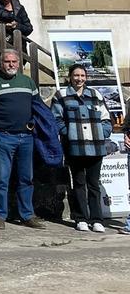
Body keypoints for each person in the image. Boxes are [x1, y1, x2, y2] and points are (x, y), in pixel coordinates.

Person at [0, 49, 44, 229]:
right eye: (7, 62)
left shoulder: (28, 82)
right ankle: (0, 216)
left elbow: (39, 107)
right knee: (1, 178)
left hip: (26, 137)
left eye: (14, 61)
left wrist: (37, 127)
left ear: (19, 63)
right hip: (3, 137)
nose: (11, 65)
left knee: (26, 178)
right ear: (1, 63)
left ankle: (27, 215)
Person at [51, 63, 112, 233]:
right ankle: (80, 218)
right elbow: (56, 119)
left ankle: (97, 219)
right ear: (70, 77)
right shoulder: (61, 95)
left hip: (95, 146)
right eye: (76, 75)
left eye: (82, 76)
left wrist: (103, 133)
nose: (79, 79)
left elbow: (106, 118)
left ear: (86, 77)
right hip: (75, 147)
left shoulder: (95, 94)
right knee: (78, 183)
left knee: (94, 184)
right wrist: (69, 134)